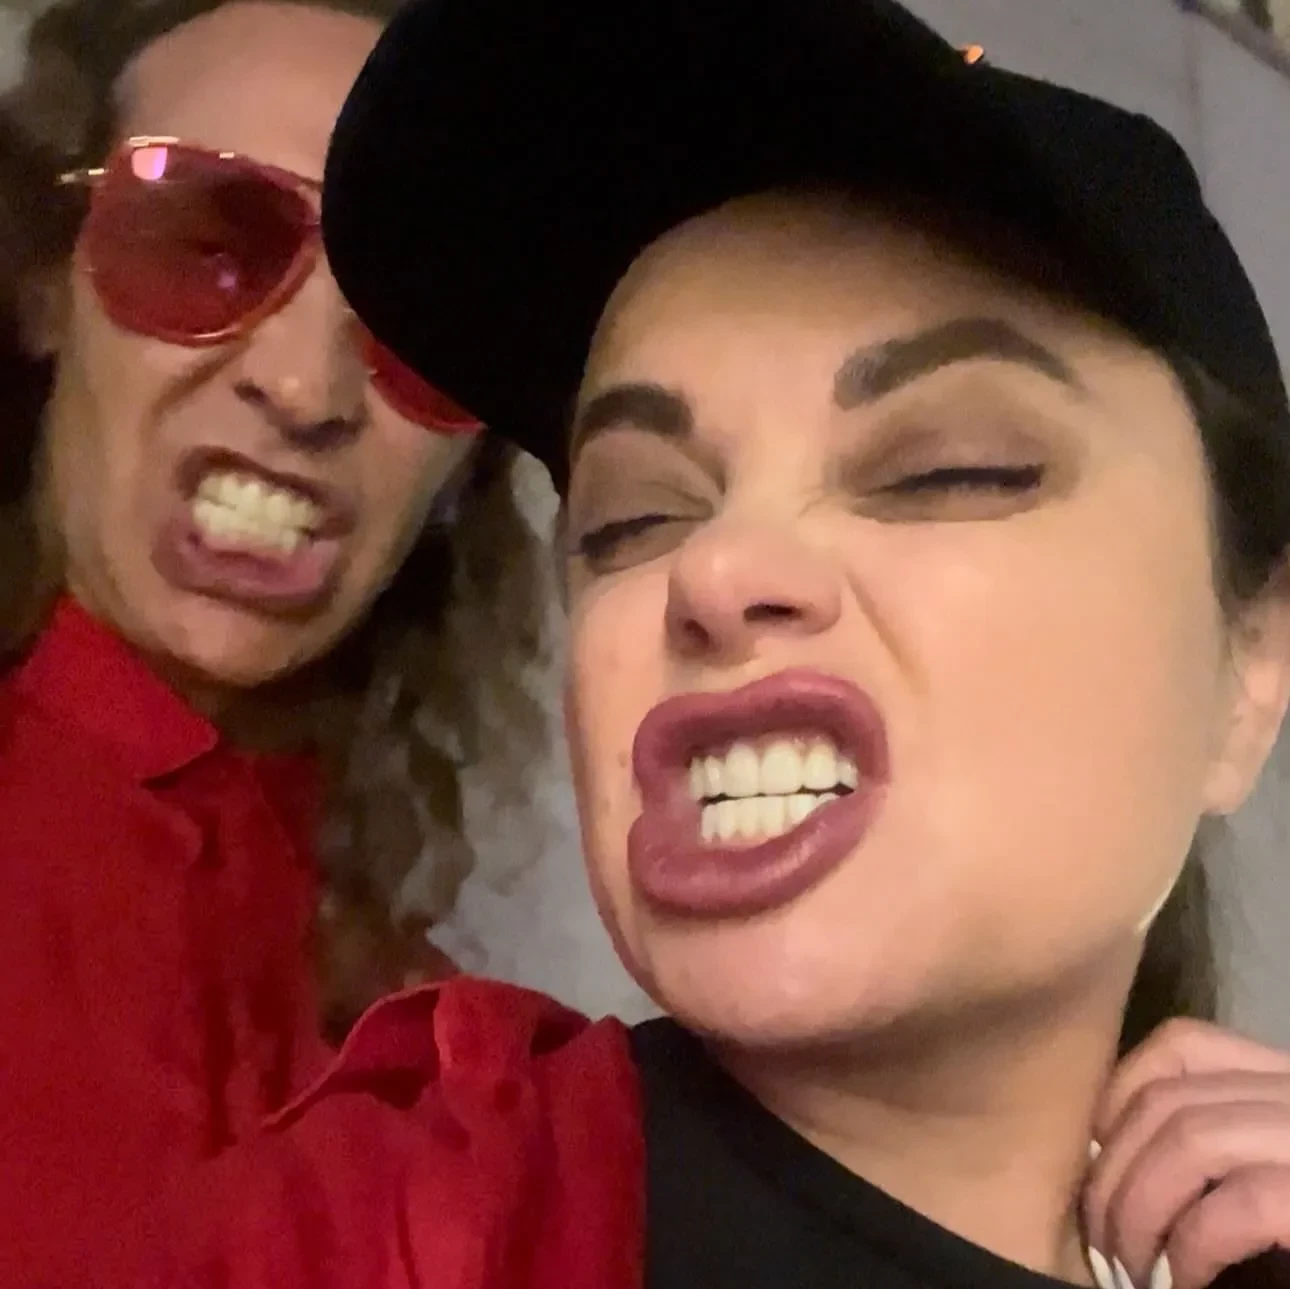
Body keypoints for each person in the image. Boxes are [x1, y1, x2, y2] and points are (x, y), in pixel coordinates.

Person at [121, 1, 1290, 1287]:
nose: (718, 571)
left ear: (1253, 666)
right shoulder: (378, 1234)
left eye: (947, 469)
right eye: (635, 517)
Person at [0, 1, 546, 1284]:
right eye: (207, 242)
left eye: (416, 314)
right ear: (43, 282)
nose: (304, 391)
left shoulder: (466, 1071)